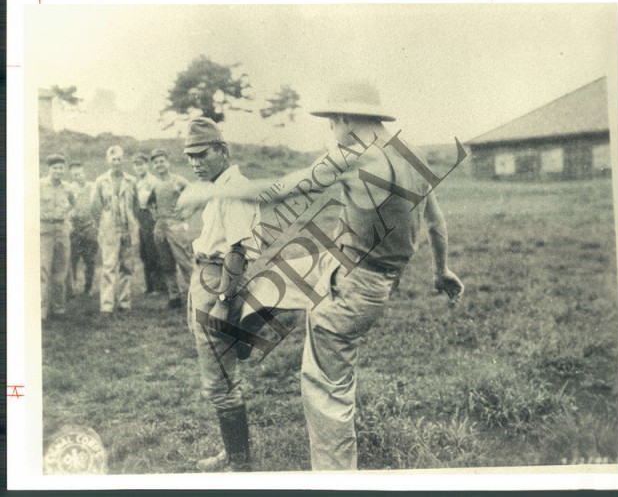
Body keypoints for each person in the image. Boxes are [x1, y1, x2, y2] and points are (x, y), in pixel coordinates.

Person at [176, 80, 465, 471]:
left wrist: (209, 193)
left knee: (324, 390)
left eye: (332, 122)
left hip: (353, 289)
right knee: (282, 274)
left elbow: (277, 191)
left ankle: (334, 478)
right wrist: (442, 269)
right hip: (350, 269)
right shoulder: (408, 153)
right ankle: (245, 331)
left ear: (345, 118)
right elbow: (435, 222)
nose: (331, 129)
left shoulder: (352, 157)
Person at [182, 117, 261, 472]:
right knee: (217, 375)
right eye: (189, 157)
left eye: (201, 154)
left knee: (222, 379)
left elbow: (239, 251)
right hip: (205, 275)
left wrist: (225, 301)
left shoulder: (235, 188)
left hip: (219, 281)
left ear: (222, 150)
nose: (195, 163)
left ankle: (240, 463)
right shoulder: (218, 187)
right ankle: (233, 455)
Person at [92, 145, 138, 316]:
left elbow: (135, 205)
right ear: (108, 161)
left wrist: (132, 224)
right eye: (113, 160)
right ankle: (107, 305)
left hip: (127, 228)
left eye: (119, 159)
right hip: (109, 229)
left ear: (122, 160)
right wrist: (103, 226)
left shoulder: (131, 181)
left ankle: (125, 302)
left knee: (127, 266)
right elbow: (95, 207)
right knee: (109, 266)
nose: (116, 162)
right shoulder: (100, 181)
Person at [148, 148, 193, 308]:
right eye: (156, 162)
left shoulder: (178, 180)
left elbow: (194, 194)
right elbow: (150, 202)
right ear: (153, 166)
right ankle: (174, 296)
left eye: (162, 161)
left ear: (168, 163)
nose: (159, 165)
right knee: (166, 264)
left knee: (184, 261)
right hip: (160, 226)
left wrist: (185, 213)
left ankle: (194, 296)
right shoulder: (153, 183)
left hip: (176, 225)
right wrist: (154, 214)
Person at [40, 153, 75, 321]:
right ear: (49, 169)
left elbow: (72, 204)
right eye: (55, 168)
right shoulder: (39, 185)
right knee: (43, 270)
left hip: (62, 229)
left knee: (60, 270)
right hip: (44, 229)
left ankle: (58, 308)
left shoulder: (67, 187)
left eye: (61, 168)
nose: (58, 171)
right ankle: (41, 310)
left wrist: (66, 218)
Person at [132, 152, 163, 295]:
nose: (139, 167)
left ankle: (159, 287)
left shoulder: (153, 181)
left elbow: (157, 202)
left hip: (151, 218)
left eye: (141, 164)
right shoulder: (136, 182)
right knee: (144, 253)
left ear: (147, 165)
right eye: (136, 165)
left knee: (153, 252)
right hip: (141, 219)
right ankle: (149, 286)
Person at [67, 162, 99, 296]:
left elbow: (97, 206)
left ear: (84, 172)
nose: (77, 176)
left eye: (79, 173)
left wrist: (96, 225)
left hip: (89, 226)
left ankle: (88, 288)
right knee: (72, 259)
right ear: (71, 175)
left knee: (90, 259)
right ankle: (71, 288)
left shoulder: (92, 187)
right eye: (74, 174)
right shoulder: (68, 189)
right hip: (74, 227)